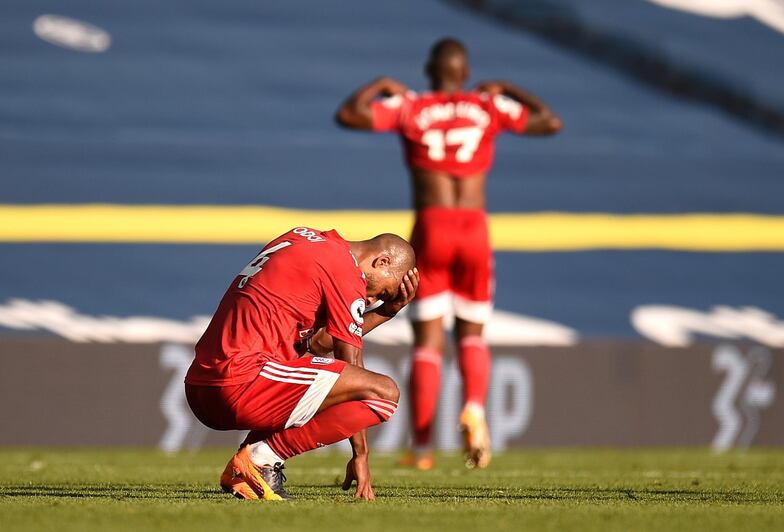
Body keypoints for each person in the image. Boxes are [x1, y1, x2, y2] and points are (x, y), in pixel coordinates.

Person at [336, 38, 562, 469]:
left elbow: (349, 114)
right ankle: (474, 406)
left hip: (432, 227)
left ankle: (421, 449)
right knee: (473, 333)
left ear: (428, 70)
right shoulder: (485, 108)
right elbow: (549, 122)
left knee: (428, 341)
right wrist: (510, 90)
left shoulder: (413, 108)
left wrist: (380, 84)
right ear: (465, 72)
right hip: (474, 226)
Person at [185, 226, 418, 501]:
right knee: (384, 393)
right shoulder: (344, 268)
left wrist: (385, 314)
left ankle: (248, 472)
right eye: (385, 292)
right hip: (238, 381)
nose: (373, 300)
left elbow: (318, 345)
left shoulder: (302, 238)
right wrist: (361, 454)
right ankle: (261, 458)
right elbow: (350, 363)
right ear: (382, 262)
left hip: (202, 385)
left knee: (303, 364)